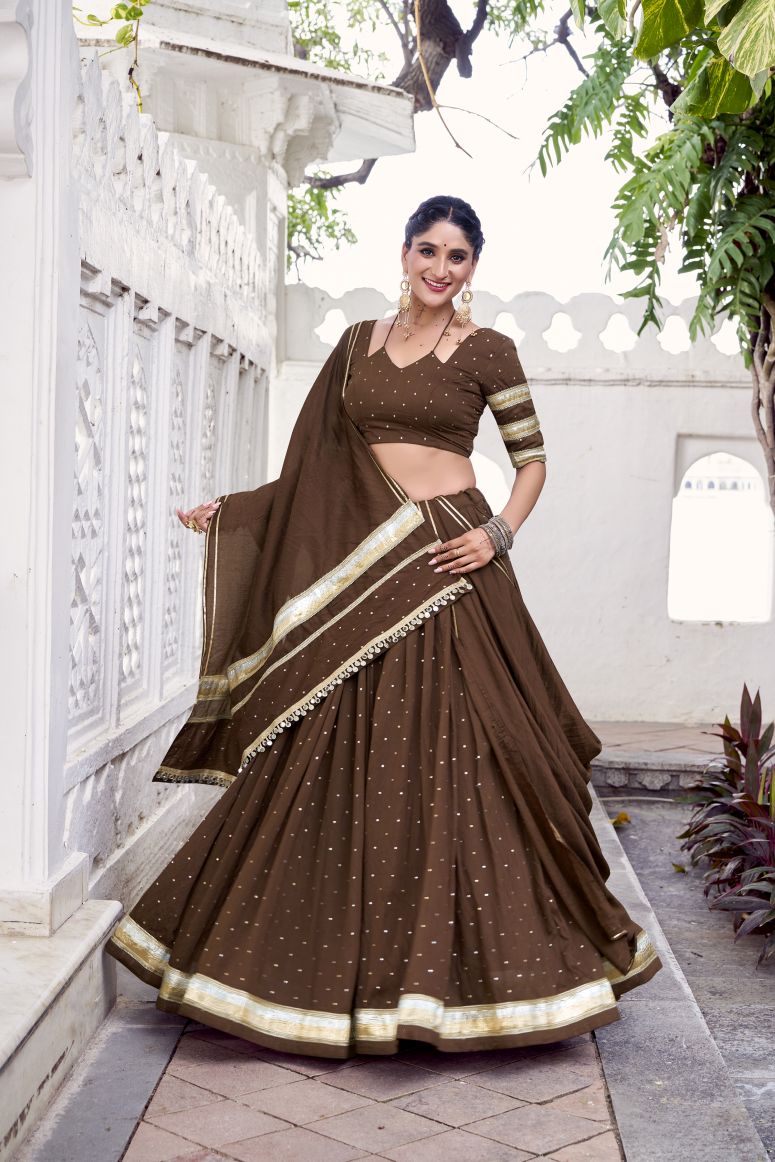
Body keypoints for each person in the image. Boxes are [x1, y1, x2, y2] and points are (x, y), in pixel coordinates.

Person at [105, 195, 661, 1059]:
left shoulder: (486, 350)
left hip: (447, 560)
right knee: (324, 751)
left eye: (457, 256)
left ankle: (495, 978)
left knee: (480, 751)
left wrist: (497, 533)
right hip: (365, 563)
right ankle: (298, 973)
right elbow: (315, 470)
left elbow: (531, 460)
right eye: (428, 251)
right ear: (404, 254)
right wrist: (240, 509)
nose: (441, 268)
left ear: (472, 267)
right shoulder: (354, 344)